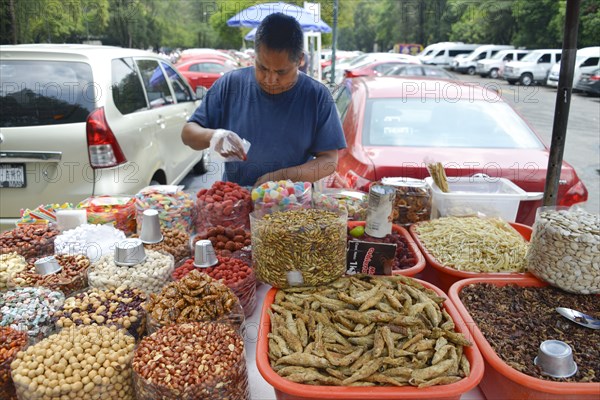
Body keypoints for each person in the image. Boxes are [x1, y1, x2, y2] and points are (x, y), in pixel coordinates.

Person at [181, 13, 346, 187]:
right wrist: (214, 136)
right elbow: (188, 133)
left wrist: (284, 177)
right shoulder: (231, 85)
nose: (270, 79)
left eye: (281, 72)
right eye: (262, 67)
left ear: (300, 60)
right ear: (255, 56)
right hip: (235, 200)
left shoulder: (317, 96)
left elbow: (328, 160)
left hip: (291, 203)